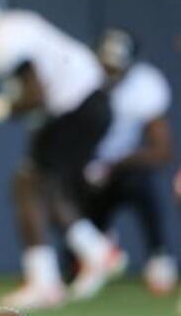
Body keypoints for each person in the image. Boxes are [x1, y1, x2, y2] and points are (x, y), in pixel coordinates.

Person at [0, 0, 124, 310]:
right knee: (43, 185)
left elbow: (35, 97)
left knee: (28, 184)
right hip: (85, 105)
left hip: (77, 108)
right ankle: (97, 252)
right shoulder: (16, 24)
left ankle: (45, 281)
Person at [81, 27, 176, 295]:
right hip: (84, 167)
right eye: (104, 65)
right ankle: (90, 256)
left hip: (125, 167)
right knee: (63, 190)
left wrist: (112, 165)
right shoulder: (78, 80)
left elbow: (161, 151)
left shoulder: (145, 85)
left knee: (140, 182)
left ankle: (159, 258)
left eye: (116, 68)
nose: (109, 73)